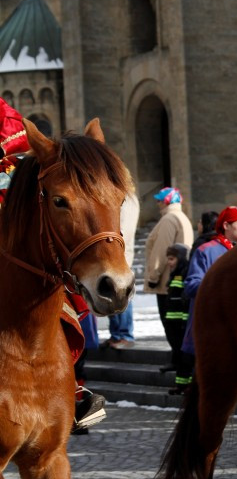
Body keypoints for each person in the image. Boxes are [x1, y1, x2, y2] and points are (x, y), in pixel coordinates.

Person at [0, 97, 106, 432]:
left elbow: (24, 150)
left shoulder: (6, 117)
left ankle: (70, 388)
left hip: (10, 214)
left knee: (52, 288)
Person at [176, 206, 237, 391]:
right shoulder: (206, 250)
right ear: (226, 225)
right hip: (213, 330)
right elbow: (191, 285)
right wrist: (224, 287)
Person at [144, 187, 193, 346]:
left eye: (159, 200)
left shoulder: (168, 219)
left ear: (166, 201)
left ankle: (178, 360)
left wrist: (153, 276)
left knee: (171, 326)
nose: (157, 203)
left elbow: (161, 250)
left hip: (166, 280)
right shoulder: (181, 217)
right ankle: (177, 359)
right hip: (176, 277)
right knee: (177, 325)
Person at [104, 190, 139, 350]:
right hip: (113, 253)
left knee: (121, 294)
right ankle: (116, 334)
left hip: (120, 255)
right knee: (110, 294)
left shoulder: (127, 199)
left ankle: (124, 334)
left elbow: (124, 228)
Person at [162, 243, 190, 387]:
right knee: (177, 350)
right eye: (168, 258)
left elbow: (184, 300)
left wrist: (184, 321)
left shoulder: (185, 273)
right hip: (173, 321)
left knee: (183, 354)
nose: (169, 262)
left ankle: (183, 384)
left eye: (172, 258)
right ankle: (180, 383)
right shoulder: (174, 274)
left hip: (180, 322)